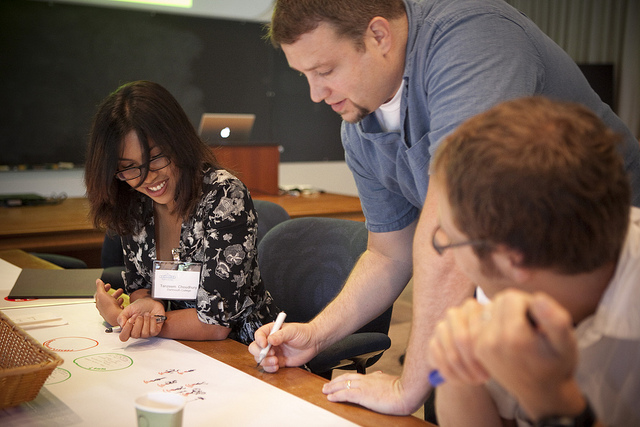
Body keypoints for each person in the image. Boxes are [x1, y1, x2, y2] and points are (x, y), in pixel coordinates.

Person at [248, 0, 640, 417]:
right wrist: (317, 335)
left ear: (379, 36)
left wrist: (410, 387)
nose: (314, 94)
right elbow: (389, 252)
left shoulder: (471, 37)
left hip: (602, 263)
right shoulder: (361, 128)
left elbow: (450, 242)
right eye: (304, 76)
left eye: (325, 71)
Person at [426, 96, 640, 426]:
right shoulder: (502, 290)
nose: (449, 251)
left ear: (510, 259)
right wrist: (454, 372)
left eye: (452, 240)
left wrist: (554, 400)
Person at [85, 80, 277, 345]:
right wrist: (141, 310)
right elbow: (141, 287)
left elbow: (215, 324)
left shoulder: (223, 196)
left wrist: (123, 319)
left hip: (246, 350)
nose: (147, 178)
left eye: (155, 158)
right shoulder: (132, 201)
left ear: (178, 141)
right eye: (129, 168)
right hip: (174, 347)